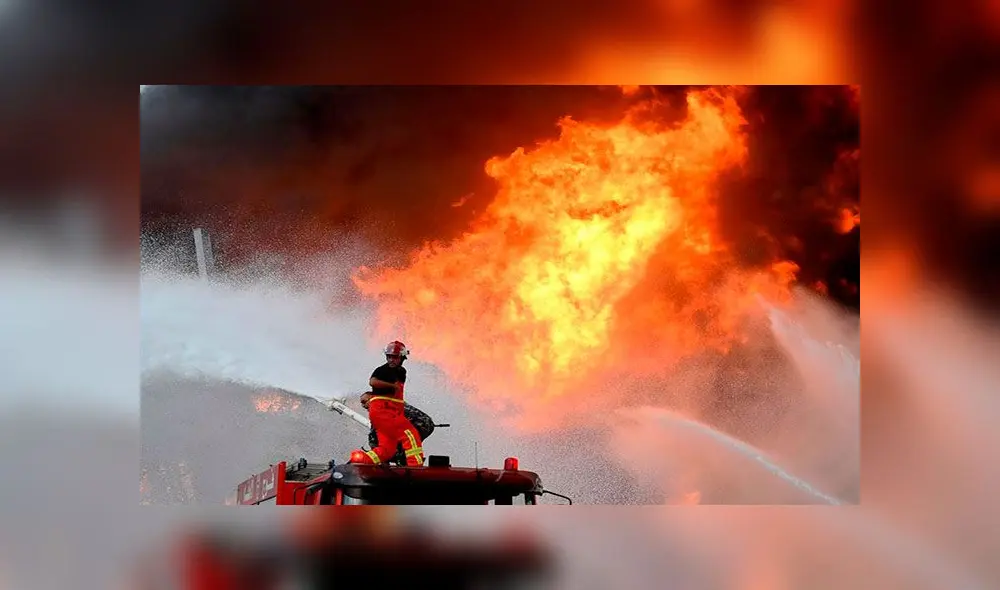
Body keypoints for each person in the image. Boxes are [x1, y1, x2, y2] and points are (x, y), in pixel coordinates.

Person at [348, 340, 425, 466]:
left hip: (385, 413)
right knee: (410, 435)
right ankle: (415, 467)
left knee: (387, 449)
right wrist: (392, 386)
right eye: (389, 357)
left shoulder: (400, 371)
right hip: (385, 411)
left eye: (394, 357)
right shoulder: (383, 370)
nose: (391, 360)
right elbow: (372, 382)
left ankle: (362, 460)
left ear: (402, 357)